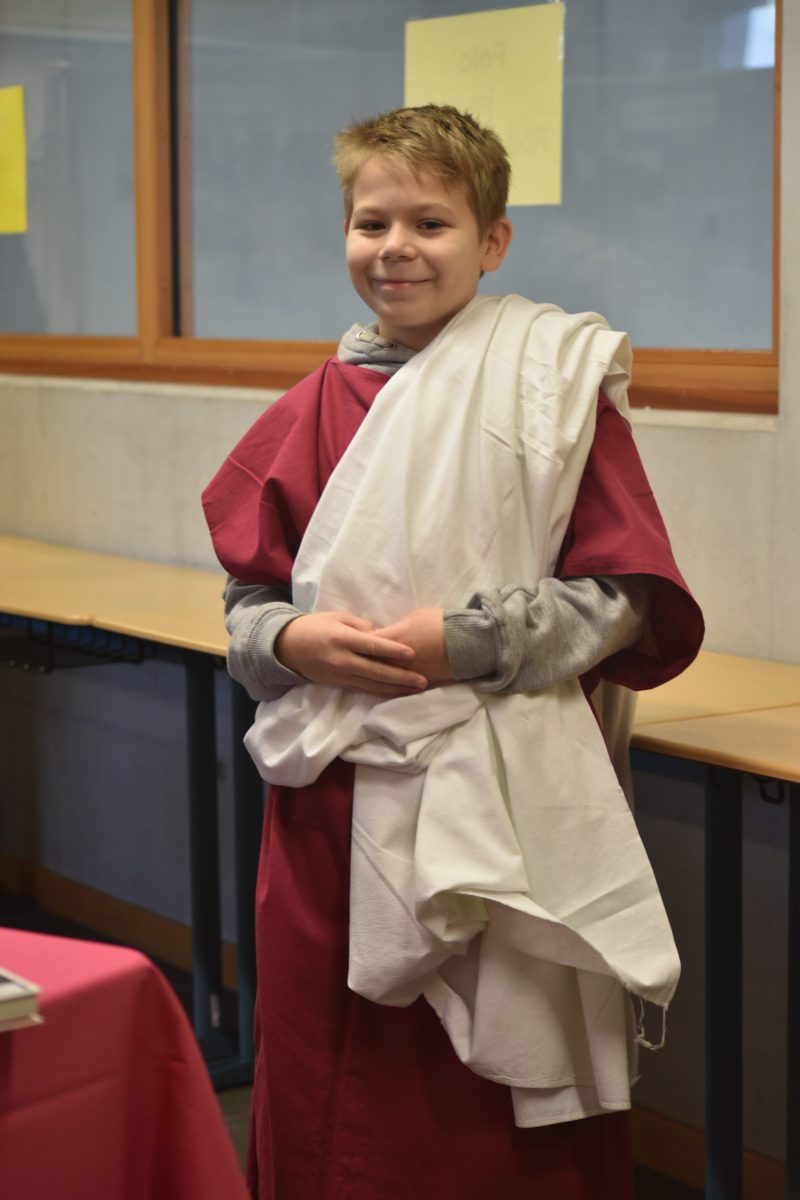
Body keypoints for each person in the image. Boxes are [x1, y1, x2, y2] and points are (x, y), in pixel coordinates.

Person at [202, 105, 704, 1200]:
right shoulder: (309, 408)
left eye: (430, 223)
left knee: (478, 1113)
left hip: (499, 802)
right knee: (327, 1080)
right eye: (370, 222)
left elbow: (623, 599)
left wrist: (468, 643)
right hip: (331, 807)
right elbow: (246, 604)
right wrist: (288, 637)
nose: (396, 248)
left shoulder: (547, 387)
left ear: (492, 241)